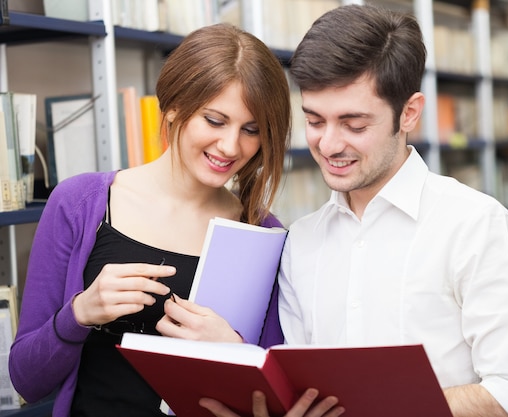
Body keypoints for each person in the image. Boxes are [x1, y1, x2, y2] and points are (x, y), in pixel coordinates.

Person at [201, 4, 508, 417]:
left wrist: (376, 405)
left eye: (354, 124)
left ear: (409, 113)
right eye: (315, 121)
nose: (329, 145)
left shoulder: (475, 225)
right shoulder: (302, 241)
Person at [9, 23, 295, 417]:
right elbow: (26, 379)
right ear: (173, 108)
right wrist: (79, 314)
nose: (231, 146)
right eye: (214, 120)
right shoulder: (79, 203)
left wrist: (235, 350)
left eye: (251, 130)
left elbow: (274, 400)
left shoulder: (263, 234)